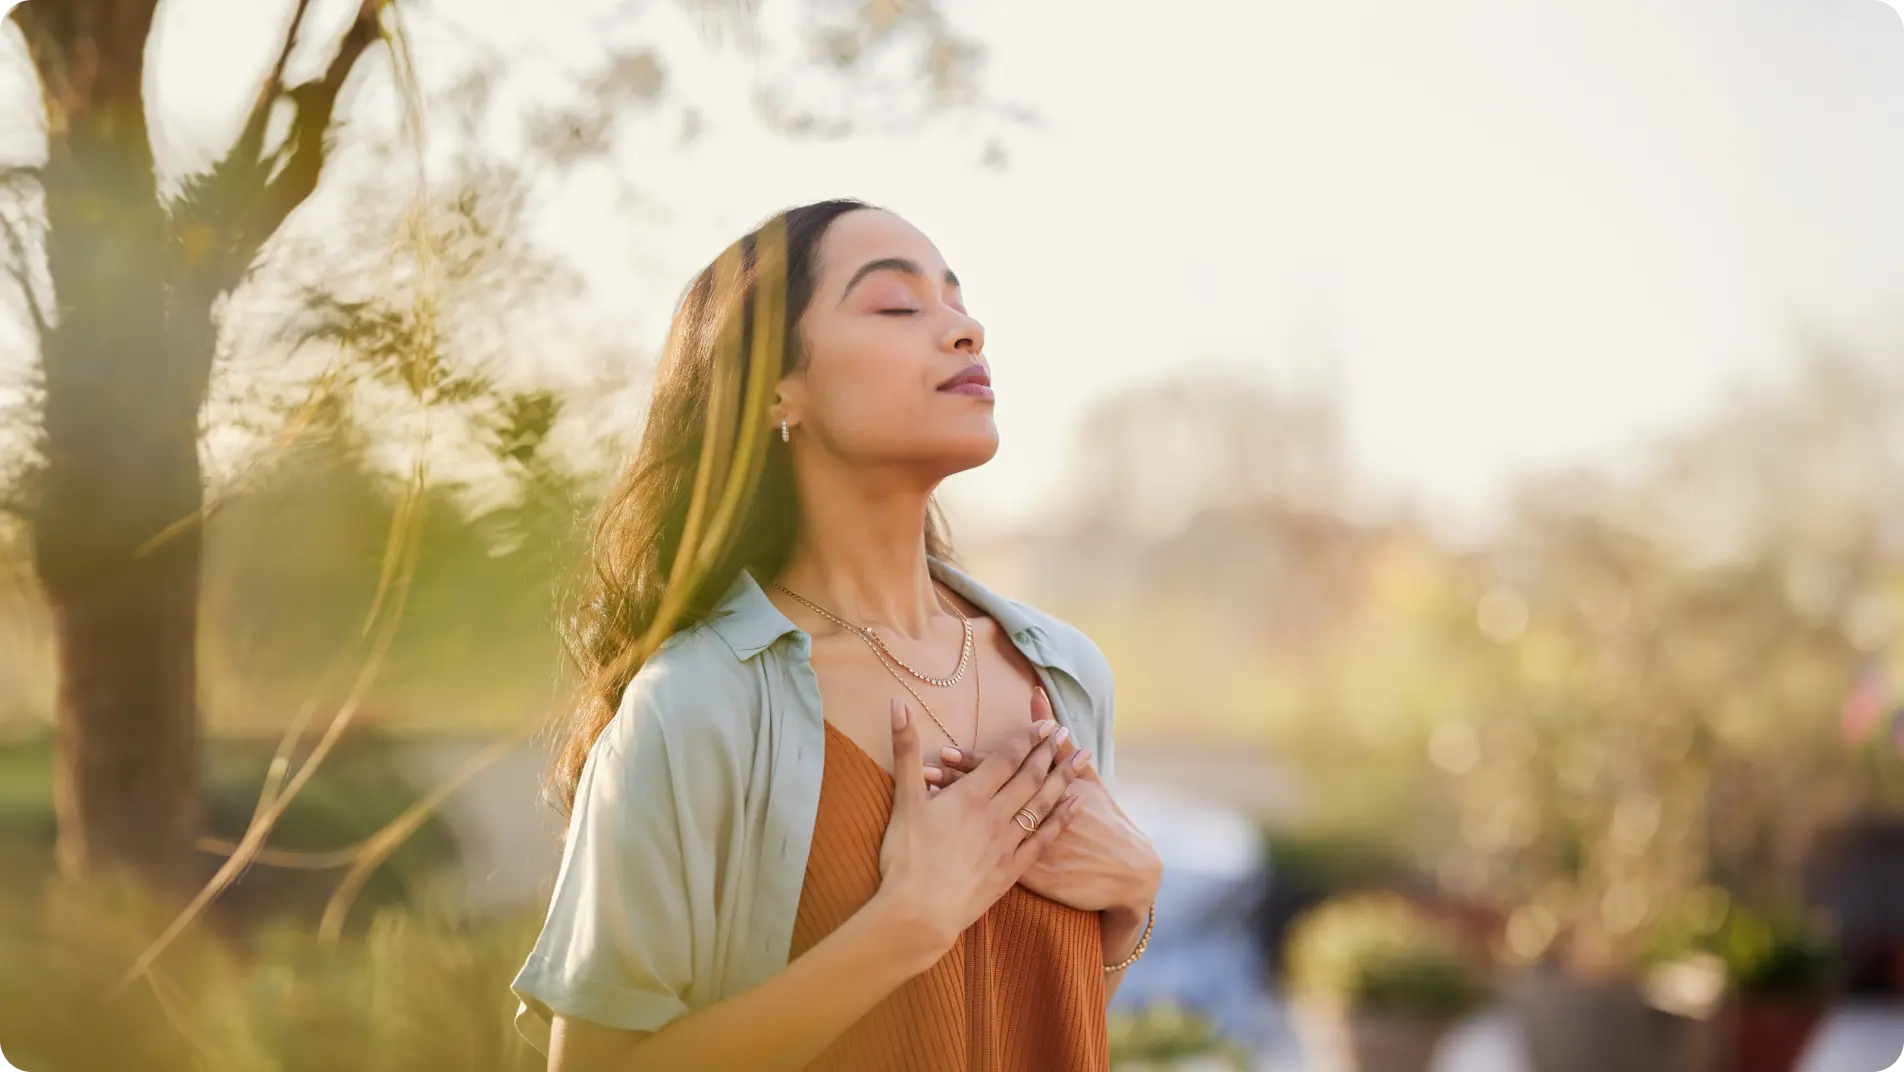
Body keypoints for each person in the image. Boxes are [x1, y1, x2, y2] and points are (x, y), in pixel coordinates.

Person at [509, 198, 1164, 1072]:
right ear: (779, 390)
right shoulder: (696, 705)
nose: (966, 330)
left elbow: (1035, 1016)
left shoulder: (1068, 674)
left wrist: (1131, 904)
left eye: (959, 302)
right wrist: (906, 925)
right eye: (898, 305)